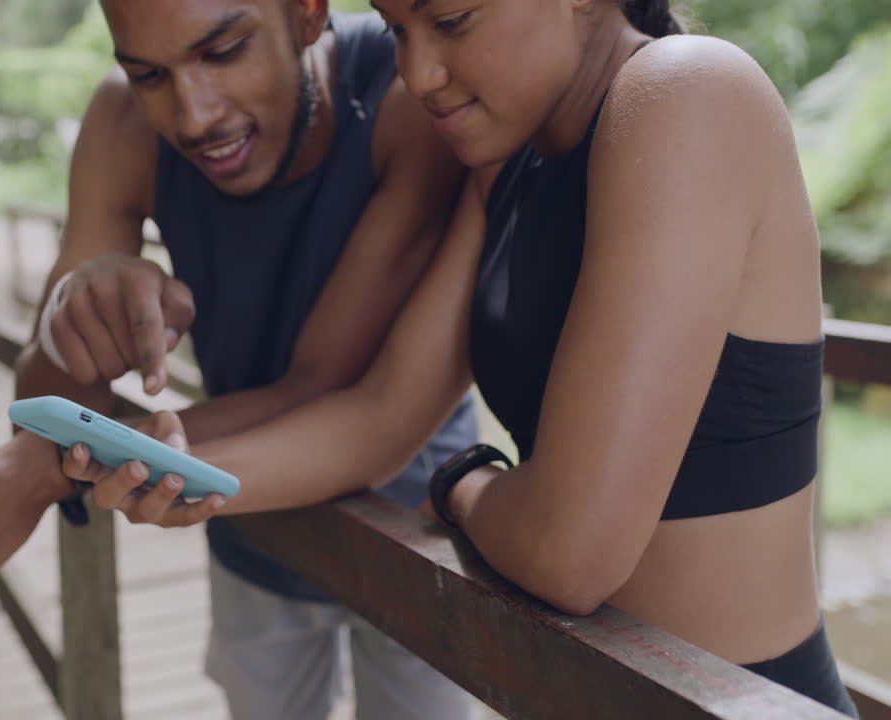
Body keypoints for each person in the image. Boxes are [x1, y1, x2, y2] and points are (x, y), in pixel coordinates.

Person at [64, 0, 860, 715]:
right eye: (396, 29)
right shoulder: (503, 171)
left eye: (449, 22)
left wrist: (463, 483)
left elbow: (568, 551)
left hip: (738, 698)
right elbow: (378, 416)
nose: (416, 74)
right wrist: (173, 465)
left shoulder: (688, 92)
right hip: (578, 690)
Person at [0, 1, 482, 717]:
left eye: (223, 52)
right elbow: (45, 397)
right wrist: (80, 305)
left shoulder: (407, 94)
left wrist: (43, 465)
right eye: (148, 74)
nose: (193, 117)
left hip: (414, 533)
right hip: (247, 528)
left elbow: (322, 385)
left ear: (307, 13)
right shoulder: (121, 121)